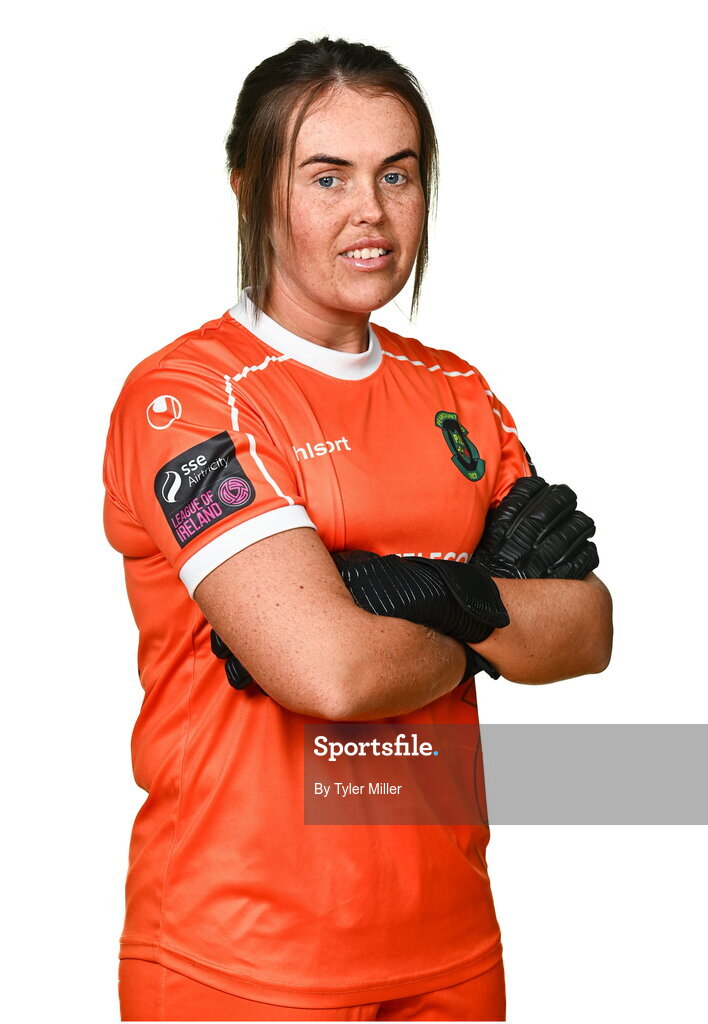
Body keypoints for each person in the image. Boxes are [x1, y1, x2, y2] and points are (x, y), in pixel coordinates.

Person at [103, 36, 613, 1022]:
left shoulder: (456, 391)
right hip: (241, 957)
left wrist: (408, 591)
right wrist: (486, 622)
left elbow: (587, 631)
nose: (370, 214)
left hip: (451, 945)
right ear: (250, 186)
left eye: (398, 174)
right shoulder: (188, 397)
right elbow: (328, 673)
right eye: (326, 176)